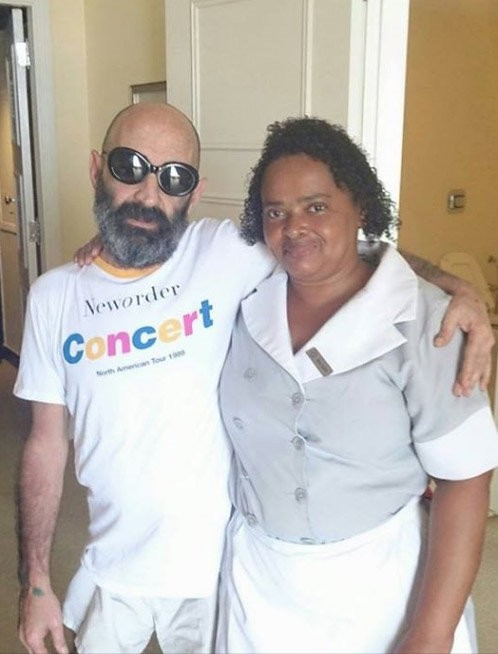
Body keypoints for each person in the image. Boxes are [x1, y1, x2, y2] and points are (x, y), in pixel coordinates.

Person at [13, 102, 493, 654]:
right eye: (129, 166)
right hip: (154, 571)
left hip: (231, 570)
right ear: (98, 168)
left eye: (173, 177)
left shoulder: (226, 254)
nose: (148, 193)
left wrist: (455, 287)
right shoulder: (58, 296)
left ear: (195, 192)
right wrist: (35, 580)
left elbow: (350, 252)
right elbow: (45, 445)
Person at [216, 117, 498, 654]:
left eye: (316, 206)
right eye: (276, 211)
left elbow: (464, 480)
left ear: (361, 208)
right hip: (263, 583)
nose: (294, 227)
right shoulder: (246, 295)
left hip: (381, 584)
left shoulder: (429, 322)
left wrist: (431, 632)